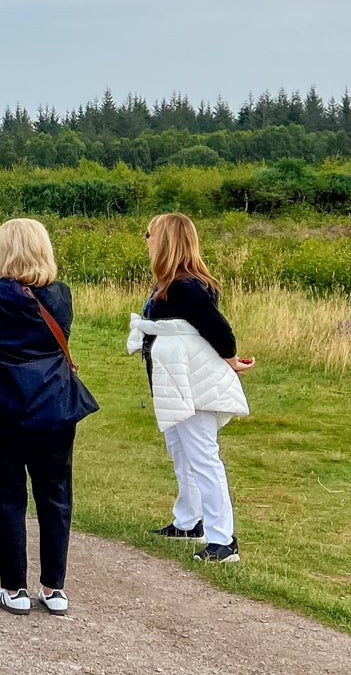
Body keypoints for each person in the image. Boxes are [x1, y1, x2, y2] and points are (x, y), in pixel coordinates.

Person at [0, 218, 96, 616]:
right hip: (53, 404)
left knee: (8, 495)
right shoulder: (60, 295)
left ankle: (14, 587)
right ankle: (54, 587)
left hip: (2, 405)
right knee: (55, 495)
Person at [127, 212, 252, 563]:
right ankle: (188, 521)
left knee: (202, 457)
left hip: (193, 386)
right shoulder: (170, 286)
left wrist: (231, 359)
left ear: (164, 241)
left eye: (149, 234)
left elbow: (219, 331)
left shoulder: (186, 288)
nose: (146, 240)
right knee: (181, 451)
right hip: (176, 384)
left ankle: (223, 539)